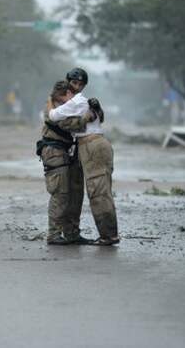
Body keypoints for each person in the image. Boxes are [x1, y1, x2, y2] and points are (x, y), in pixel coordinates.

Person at [48, 74, 120, 246]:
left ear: (65, 94)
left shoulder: (74, 101)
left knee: (98, 192)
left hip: (91, 145)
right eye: (74, 83)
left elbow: (52, 116)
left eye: (80, 84)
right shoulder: (85, 102)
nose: (77, 87)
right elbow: (98, 118)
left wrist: (53, 103)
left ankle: (108, 236)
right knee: (97, 190)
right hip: (94, 145)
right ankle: (105, 234)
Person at [38, 81, 95, 245]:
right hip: (54, 152)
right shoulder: (52, 108)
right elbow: (69, 125)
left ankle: (71, 233)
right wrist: (86, 118)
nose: (73, 99)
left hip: (67, 152)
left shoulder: (63, 107)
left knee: (75, 195)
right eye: (71, 95)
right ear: (64, 94)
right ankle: (54, 234)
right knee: (60, 194)